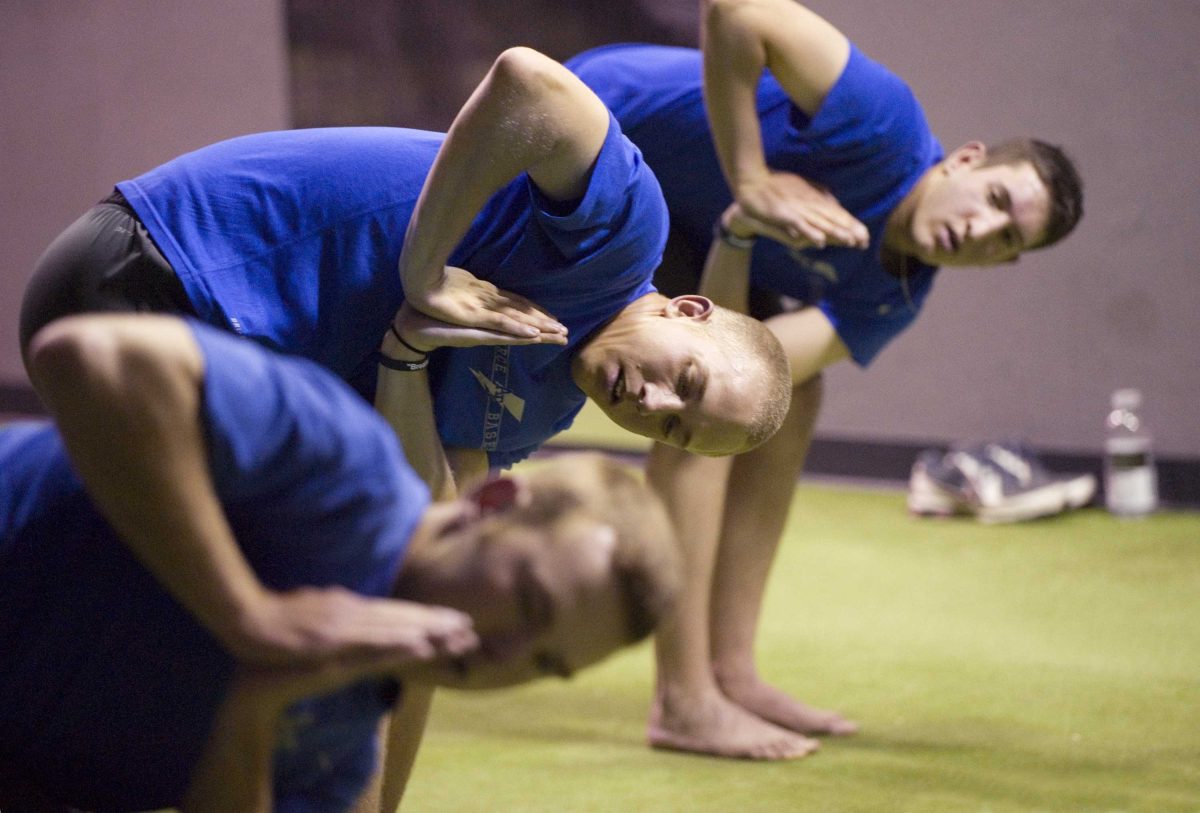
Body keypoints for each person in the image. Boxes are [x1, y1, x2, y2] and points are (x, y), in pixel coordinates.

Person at [568, 0, 1084, 760]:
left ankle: (731, 669)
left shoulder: (896, 291)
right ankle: (683, 700)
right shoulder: (883, 123)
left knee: (781, 398)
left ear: (1002, 263)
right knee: (703, 413)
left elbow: (761, 363)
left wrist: (743, 227)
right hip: (602, 134)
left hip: (691, 232)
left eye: (1004, 239)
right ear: (966, 161)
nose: (978, 229)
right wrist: (754, 176)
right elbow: (736, 12)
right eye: (995, 201)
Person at [1, 313, 681, 812]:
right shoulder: (338, 463)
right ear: (493, 501)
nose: (503, 653)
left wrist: (252, 705)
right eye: (530, 603)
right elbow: (84, 353)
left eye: (542, 663)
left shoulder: (343, 738)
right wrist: (250, 616)